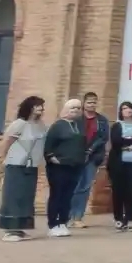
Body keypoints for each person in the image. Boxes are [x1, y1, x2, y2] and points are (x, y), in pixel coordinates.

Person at [0, 96, 47, 241]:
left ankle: (20, 227)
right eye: (37, 106)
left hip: (32, 165)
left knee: (26, 196)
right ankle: (10, 229)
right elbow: (8, 141)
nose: (41, 109)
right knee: (14, 195)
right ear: (29, 107)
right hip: (17, 164)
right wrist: (4, 157)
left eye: (42, 106)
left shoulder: (40, 125)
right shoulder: (19, 124)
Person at [44, 98, 86, 237]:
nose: (75, 110)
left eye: (78, 108)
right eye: (72, 107)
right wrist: (52, 158)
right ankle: (53, 223)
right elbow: (48, 145)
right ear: (66, 109)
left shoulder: (79, 125)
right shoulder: (58, 126)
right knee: (57, 194)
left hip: (75, 166)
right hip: (59, 167)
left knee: (68, 195)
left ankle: (63, 221)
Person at [68, 91, 109, 229]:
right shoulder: (77, 118)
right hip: (76, 156)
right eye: (89, 102)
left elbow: (103, 138)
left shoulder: (101, 120)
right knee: (73, 186)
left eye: (94, 102)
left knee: (85, 187)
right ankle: (67, 216)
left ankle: (78, 217)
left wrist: (91, 150)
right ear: (84, 103)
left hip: (92, 158)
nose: (92, 105)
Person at [107, 101, 132, 231]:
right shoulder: (117, 126)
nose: (128, 110)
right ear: (121, 111)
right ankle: (118, 219)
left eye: (130, 108)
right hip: (119, 163)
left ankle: (129, 219)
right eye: (124, 108)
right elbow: (116, 141)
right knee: (118, 191)